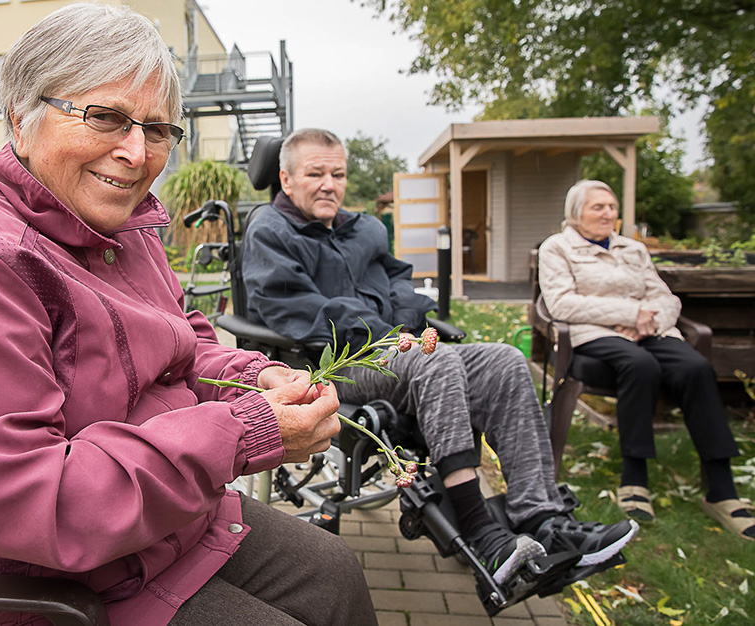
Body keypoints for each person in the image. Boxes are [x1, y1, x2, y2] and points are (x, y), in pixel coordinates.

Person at [0, 4, 378, 626]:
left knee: (335, 572)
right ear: (22, 117)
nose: (136, 153)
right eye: (105, 118)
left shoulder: (123, 231)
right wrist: (241, 433)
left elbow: (184, 348)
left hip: (149, 536)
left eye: (157, 130)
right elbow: (29, 504)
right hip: (30, 588)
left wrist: (255, 379)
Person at [243, 128, 639, 586]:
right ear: (287, 180)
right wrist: (390, 334)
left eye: (338, 173)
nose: (329, 183)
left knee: (505, 360)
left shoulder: (364, 228)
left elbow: (398, 282)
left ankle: (541, 517)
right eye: (315, 174)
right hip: (329, 365)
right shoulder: (269, 230)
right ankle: (478, 527)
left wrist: (407, 320)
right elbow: (292, 304)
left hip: (397, 350)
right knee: (437, 360)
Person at [537, 179, 753, 540]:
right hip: (595, 334)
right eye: (598, 207)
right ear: (576, 213)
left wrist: (650, 319)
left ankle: (721, 488)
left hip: (651, 331)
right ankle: (634, 478)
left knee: (696, 368)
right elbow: (560, 303)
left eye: (611, 207)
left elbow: (666, 297)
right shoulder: (557, 248)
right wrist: (627, 312)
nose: (608, 214)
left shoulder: (632, 249)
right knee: (640, 367)